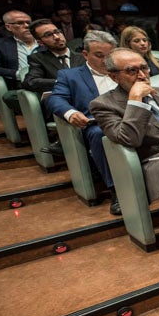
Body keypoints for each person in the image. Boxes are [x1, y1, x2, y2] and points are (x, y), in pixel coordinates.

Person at [90, 48, 159, 202]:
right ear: (114, 77)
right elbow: (129, 139)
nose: (142, 75)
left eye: (144, 68)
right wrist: (135, 100)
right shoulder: (103, 105)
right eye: (131, 71)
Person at [47, 31, 121, 214]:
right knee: (99, 135)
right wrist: (70, 112)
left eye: (109, 55)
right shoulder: (69, 75)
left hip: (129, 118)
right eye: (99, 55)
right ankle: (117, 191)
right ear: (85, 54)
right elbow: (55, 99)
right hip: (96, 124)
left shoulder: (123, 70)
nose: (105, 61)